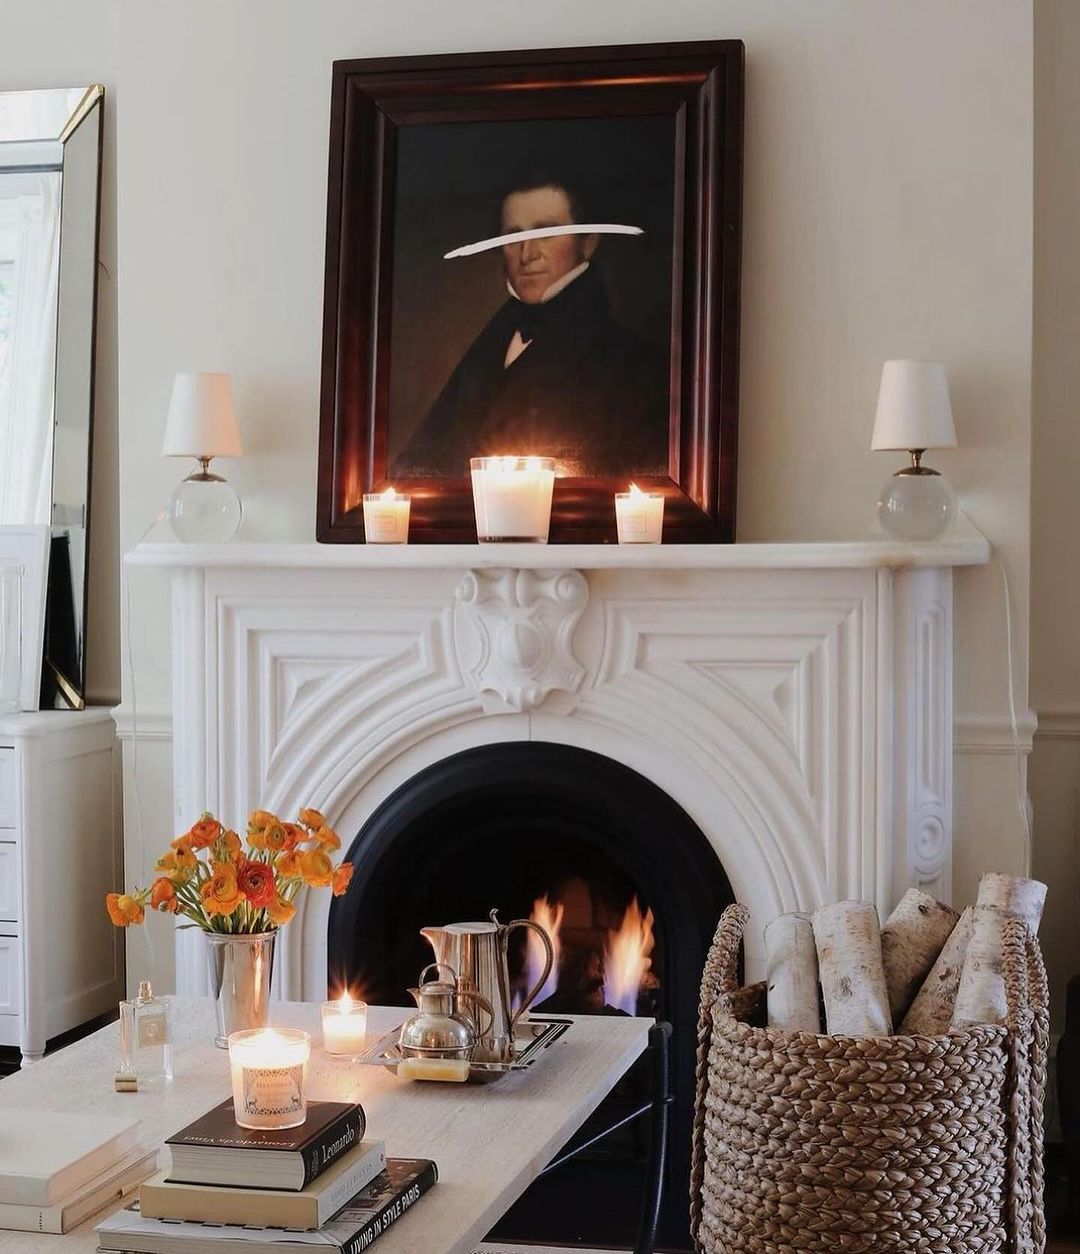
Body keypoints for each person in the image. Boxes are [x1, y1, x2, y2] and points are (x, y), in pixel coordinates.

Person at [395, 172, 670, 478]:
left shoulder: (637, 368)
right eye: (513, 238)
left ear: (588, 243)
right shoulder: (491, 342)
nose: (528, 254)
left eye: (546, 233)